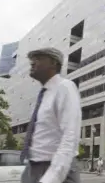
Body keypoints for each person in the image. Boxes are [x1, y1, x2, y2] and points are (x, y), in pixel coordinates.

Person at [20, 47, 82, 183]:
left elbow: (70, 135)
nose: (32, 63)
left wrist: (52, 177)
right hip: (32, 167)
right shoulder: (44, 94)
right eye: (32, 60)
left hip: (55, 169)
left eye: (38, 59)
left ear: (53, 63)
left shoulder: (65, 87)